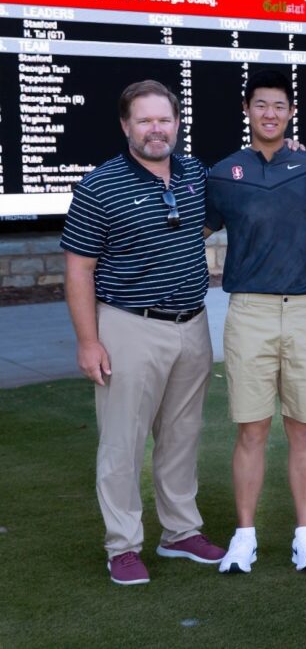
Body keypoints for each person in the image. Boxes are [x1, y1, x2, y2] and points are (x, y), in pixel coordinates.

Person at [61, 80, 225, 585]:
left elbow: (214, 215)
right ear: (126, 126)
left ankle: (179, 532)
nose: (156, 129)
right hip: (129, 327)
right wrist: (89, 341)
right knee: (123, 442)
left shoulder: (195, 173)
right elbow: (78, 270)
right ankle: (122, 545)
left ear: (177, 123)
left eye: (164, 119)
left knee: (181, 436)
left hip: (192, 324)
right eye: (145, 120)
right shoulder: (100, 185)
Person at [204, 69, 306, 573]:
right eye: (261, 105)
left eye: (279, 105)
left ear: (290, 112)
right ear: (247, 110)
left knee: (303, 429)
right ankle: (245, 537)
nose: (270, 114)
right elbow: (198, 228)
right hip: (250, 312)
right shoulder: (223, 173)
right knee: (252, 430)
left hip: (305, 311)